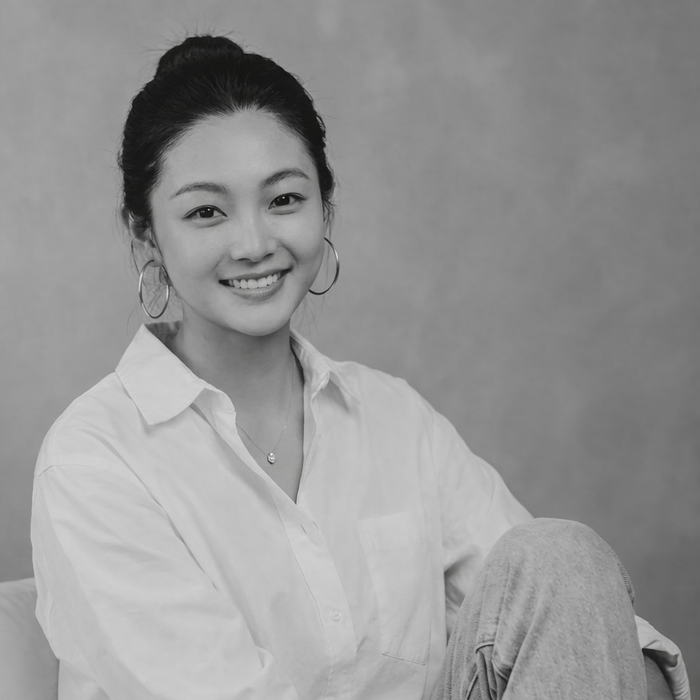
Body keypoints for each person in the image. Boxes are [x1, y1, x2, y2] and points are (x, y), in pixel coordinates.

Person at [30, 35, 689, 700]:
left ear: (325, 207)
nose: (254, 244)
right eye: (207, 212)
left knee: (559, 556)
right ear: (145, 233)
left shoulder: (394, 419)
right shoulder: (95, 461)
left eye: (284, 200)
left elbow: (584, 630)